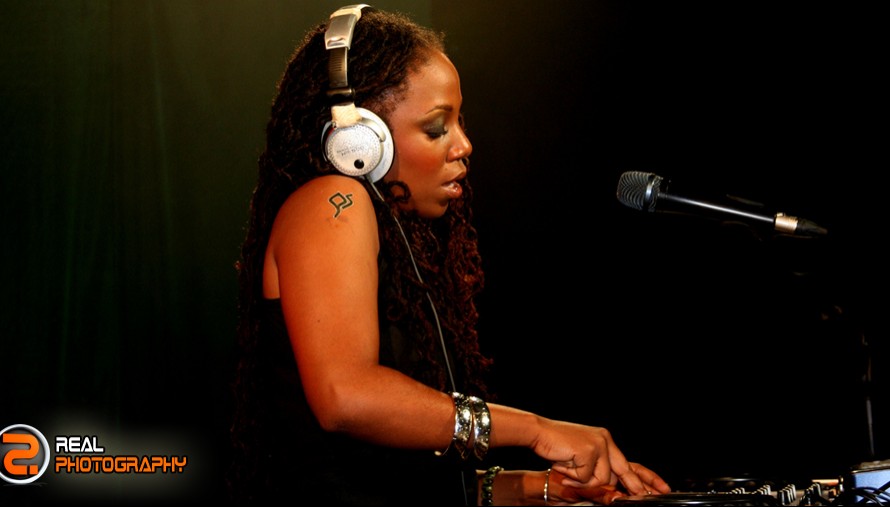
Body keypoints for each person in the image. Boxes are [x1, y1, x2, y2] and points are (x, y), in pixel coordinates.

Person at [227, 4, 671, 505]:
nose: (464, 145)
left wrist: (547, 489)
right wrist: (537, 429)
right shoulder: (334, 202)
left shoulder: (395, 239)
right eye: (437, 128)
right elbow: (346, 397)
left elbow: (409, 483)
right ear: (360, 141)